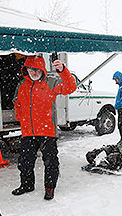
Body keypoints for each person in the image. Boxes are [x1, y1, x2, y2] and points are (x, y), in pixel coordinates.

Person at [12, 55, 76, 200]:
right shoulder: (22, 85)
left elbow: (70, 87)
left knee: (50, 161)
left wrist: (63, 71)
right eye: (30, 69)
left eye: (37, 70)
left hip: (47, 131)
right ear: (26, 70)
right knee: (25, 162)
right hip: (28, 132)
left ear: (42, 70)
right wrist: (20, 117)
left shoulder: (51, 83)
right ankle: (27, 185)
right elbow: (17, 102)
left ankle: (49, 187)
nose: (33, 73)